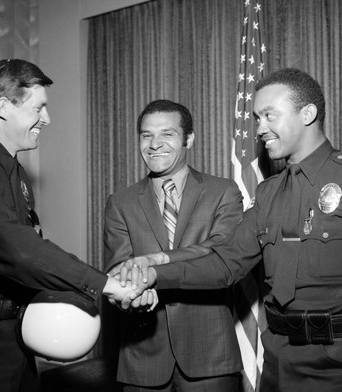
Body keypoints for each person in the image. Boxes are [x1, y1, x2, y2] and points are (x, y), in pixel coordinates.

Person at [123, 69, 342, 392]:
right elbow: (225, 264)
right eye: (256, 118)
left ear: (307, 114)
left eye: (269, 116)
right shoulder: (268, 193)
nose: (259, 128)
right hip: (278, 366)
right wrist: (155, 274)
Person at [0, 59, 143, 392]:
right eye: (39, 108)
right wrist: (107, 284)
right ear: (3, 108)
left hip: (17, 334)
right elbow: (19, 251)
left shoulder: (13, 172)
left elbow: (30, 250)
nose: (47, 119)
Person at [104, 99, 244, 391]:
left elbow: (220, 252)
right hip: (142, 356)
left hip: (210, 356)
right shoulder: (120, 202)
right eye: (146, 135)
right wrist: (128, 295)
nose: (154, 144)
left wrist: (157, 260)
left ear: (188, 139)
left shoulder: (223, 192)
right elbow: (120, 266)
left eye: (167, 134)